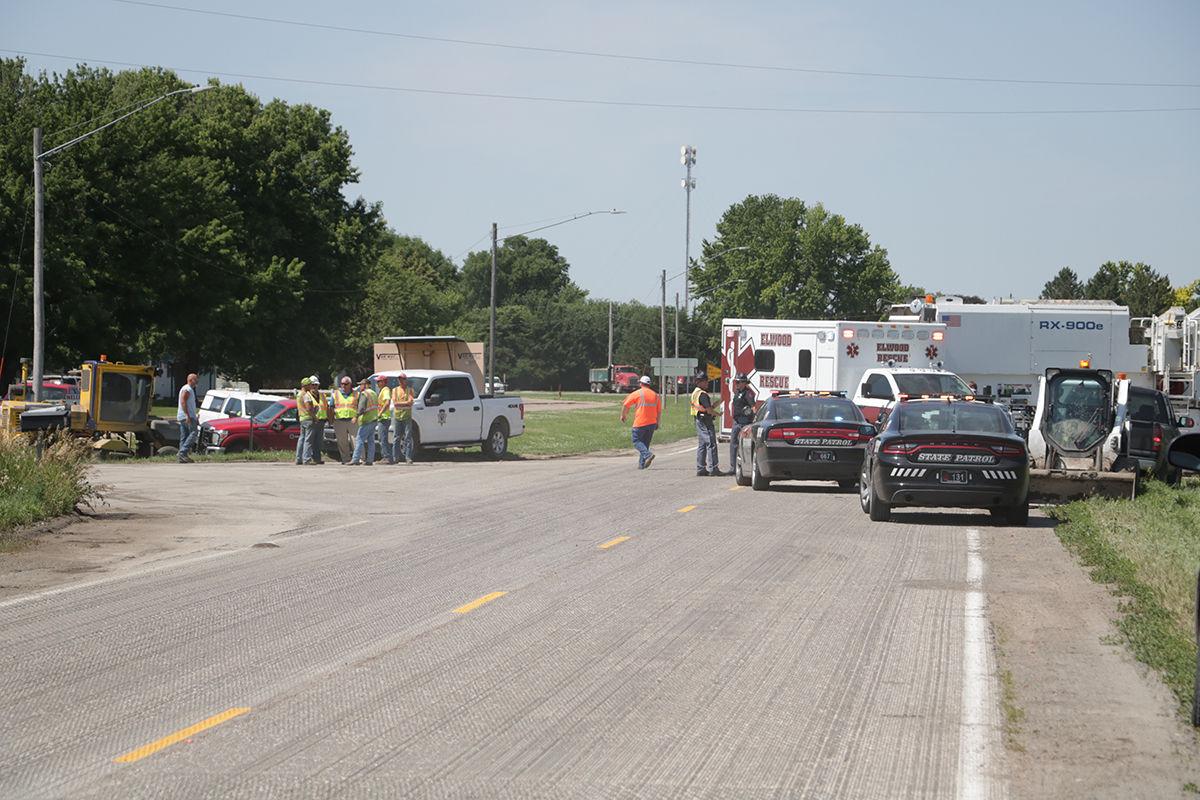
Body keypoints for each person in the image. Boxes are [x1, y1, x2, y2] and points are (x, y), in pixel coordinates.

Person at [620, 375, 662, 470]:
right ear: (649, 384)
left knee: (636, 441)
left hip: (640, 422)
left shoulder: (638, 393)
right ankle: (641, 465)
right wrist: (658, 423)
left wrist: (623, 416)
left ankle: (648, 455)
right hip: (652, 423)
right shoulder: (655, 395)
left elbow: (626, 404)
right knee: (645, 443)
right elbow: (659, 411)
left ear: (641, 383)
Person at [690, 373, 722, 476]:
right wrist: (718, 414)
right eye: (705, 381)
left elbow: (708, 407)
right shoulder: (703, 394)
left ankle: (701, 468)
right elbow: (709, 410)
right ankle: (714, 468)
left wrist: (721, 401)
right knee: (711, 443)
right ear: (700, 382)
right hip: (705, 421)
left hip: (698, 420)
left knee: (702, 444)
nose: (707, 383)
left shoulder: (695, 393)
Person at [350, 376, 380, 466]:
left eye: (362, 385)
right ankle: (370, 460)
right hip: (374, 419)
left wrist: (356, 416)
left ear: (366, 385)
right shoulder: (374, 393)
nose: (360, 387)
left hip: (366, 420)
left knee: (359, 439)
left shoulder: (364, 394)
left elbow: (361, 407)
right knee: (371, 441)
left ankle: (355, 459)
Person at [328, 376, 358, 464]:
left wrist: (356, 416)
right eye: (342, 384)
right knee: (342, 442)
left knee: (356, 441)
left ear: (350, 384)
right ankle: (346, 459)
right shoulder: (336, 394)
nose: (343, 386)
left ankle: (359, 459)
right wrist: (331, 420)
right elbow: (331, 407)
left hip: (353, 420)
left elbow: (360, 407)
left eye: (346, 384)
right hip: (339, 421)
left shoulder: (356, 394)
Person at [730, 373, 755, 471]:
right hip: (736, 422)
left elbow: (753, 407)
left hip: (745, 423)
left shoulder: (748, 393)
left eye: (738, 382)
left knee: (745, 445)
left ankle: (746, 467)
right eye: (736, 382)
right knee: (733, 444)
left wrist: (754, 419)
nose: (736, 384)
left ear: (744, 383)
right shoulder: (737, 393)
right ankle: (733, 468)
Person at [390, 372, 415, 465]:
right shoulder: (395, 390)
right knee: (396, 437)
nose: (400, 381)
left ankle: (408, 458)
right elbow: (395, 403)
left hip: (407, 416)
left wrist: (401, 403)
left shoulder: (410, 390)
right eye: (399, 379)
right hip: (397, 416)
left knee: (408, 437)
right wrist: (405, 403)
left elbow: (411, 402)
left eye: (402, 379)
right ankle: (395, 457)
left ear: (405, 380)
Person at [176, 373, 199, 464]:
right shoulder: (187, 389)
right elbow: (183, 401)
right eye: (195, 379)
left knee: (184, 436)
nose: (197, 381)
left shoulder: (189, 389)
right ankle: (182, 452)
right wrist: (187, 415)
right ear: (191, 380)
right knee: (194, 433)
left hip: (185, 416)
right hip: (187, 417)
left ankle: (182, 457)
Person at [295, 376, 316, 465]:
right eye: (310, 385)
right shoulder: (306, 395)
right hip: (308, 418)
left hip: (302, 418)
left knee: (301, 439)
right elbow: (308, 408)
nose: (311, 386)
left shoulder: (299, 394)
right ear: (306, 385)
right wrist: (314, 416)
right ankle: (306, 459)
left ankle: (298, 458)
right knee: (308, 440)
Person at [375, 375, 395, 465]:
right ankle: (388, 457)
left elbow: (387, 402)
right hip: (382, 417)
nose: (377, 383)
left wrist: (380, 412)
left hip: (384, 418)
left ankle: (386, 457)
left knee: (382, 438)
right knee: (382, 438)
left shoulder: (386, 390)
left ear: (383, 382)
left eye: (379, 381)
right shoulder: (382, 390)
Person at [308, 375, 327, 465]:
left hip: (321, 421)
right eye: (312, 385)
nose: (314, 386)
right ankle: (310, 458)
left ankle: (317, 458)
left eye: (316, 384)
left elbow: (326, 407)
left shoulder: (322, 395)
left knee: (319, 441)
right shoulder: (307, 395)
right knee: (310, 441)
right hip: (312, 421)